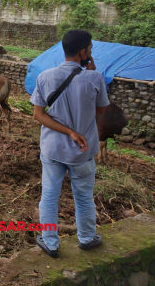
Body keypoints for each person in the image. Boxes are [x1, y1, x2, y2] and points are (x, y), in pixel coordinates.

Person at [31, 29, 109, 258]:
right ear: (83, 53)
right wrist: (92, 74)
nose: (91, 54)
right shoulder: (95, 78)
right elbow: (102, 111)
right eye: (91, 50)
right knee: (84, 197)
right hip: (82, 153)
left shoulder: (45, 76)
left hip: (53, 149)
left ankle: (50, 243)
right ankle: (86, 238)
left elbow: (38, 115)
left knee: (49, 196)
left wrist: (67, 131)